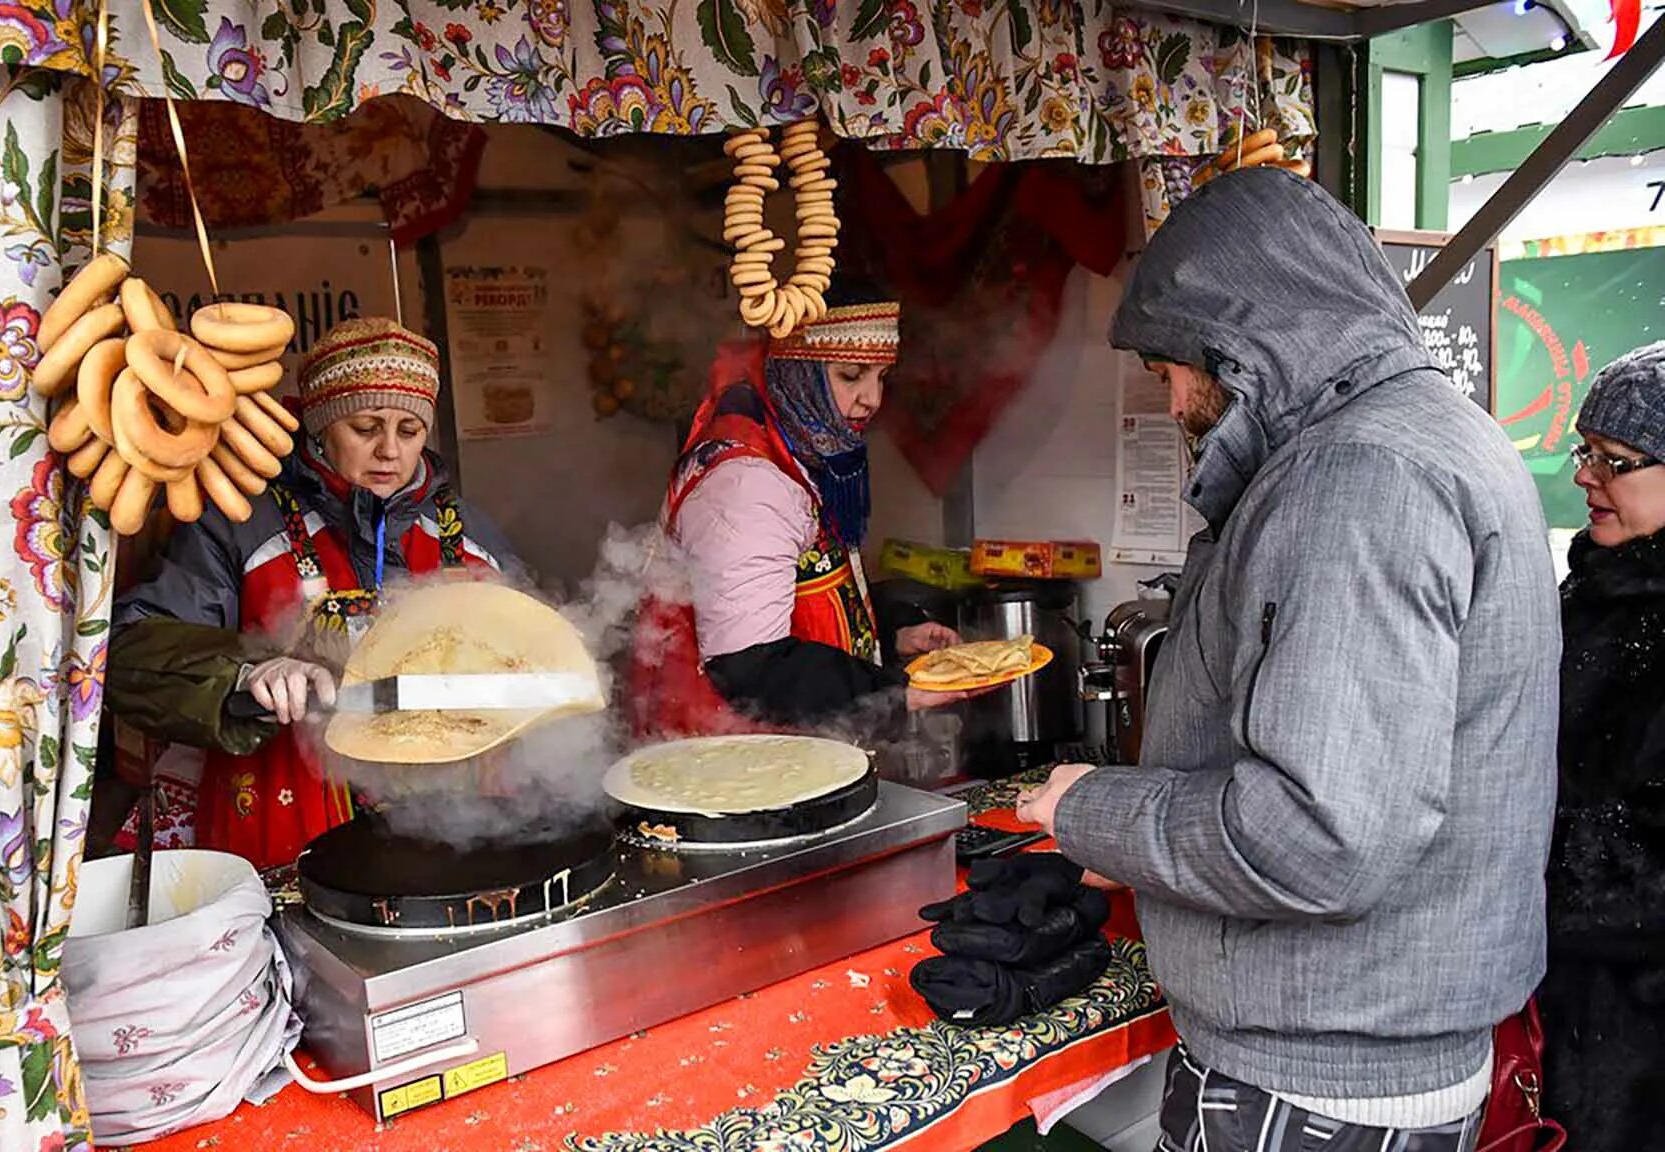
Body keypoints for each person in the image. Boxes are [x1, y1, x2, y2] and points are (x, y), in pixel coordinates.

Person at [1012, 168, 1560, 1148]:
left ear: (1236, 350)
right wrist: (1144, 857)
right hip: (1366, 1052)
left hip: (1312, 1090)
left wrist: (1089, 810)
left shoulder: (1359, 476)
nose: (1172, 397)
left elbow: (1319, 834)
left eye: (1167, 368)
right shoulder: (1441, 436)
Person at [107, 317, 514, 870]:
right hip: (284, 840)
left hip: (453, 840)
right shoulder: (240, 521)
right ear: (321, 427)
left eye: (410, 430)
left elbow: (531, 661)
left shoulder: (468, 536)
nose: (390, 451)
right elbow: (128, 654)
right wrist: (246, 672)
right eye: (366, 427)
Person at [627, 283, 972, 741]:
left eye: (881, 377)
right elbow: (751, 666)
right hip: (733, 760)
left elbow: (795, 596)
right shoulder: (750, 483)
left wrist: (892, 634)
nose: (872, 398)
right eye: (851, 376)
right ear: (797, 373)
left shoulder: (792, 449)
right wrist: (893, 693)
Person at [1537, 344, 1665, 1147]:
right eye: (1586, 452)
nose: (1586, 476)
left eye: (1614, 461)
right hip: (1558, 1012)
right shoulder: (1595, 587)